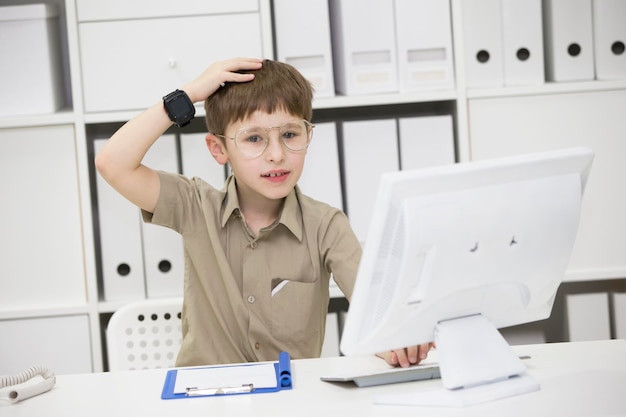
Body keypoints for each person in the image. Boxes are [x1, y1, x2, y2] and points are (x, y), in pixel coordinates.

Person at [95, 57, 431, 368]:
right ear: (218, 149)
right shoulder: (196, 207)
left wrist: (400, 343)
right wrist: (189, 93)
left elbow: (378, 318)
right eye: (254, 138)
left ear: (308, 134)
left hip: (290, 399)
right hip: (205, 401)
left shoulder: (326, 226)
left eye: (289, 134)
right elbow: (113, 163)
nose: (276, 155)